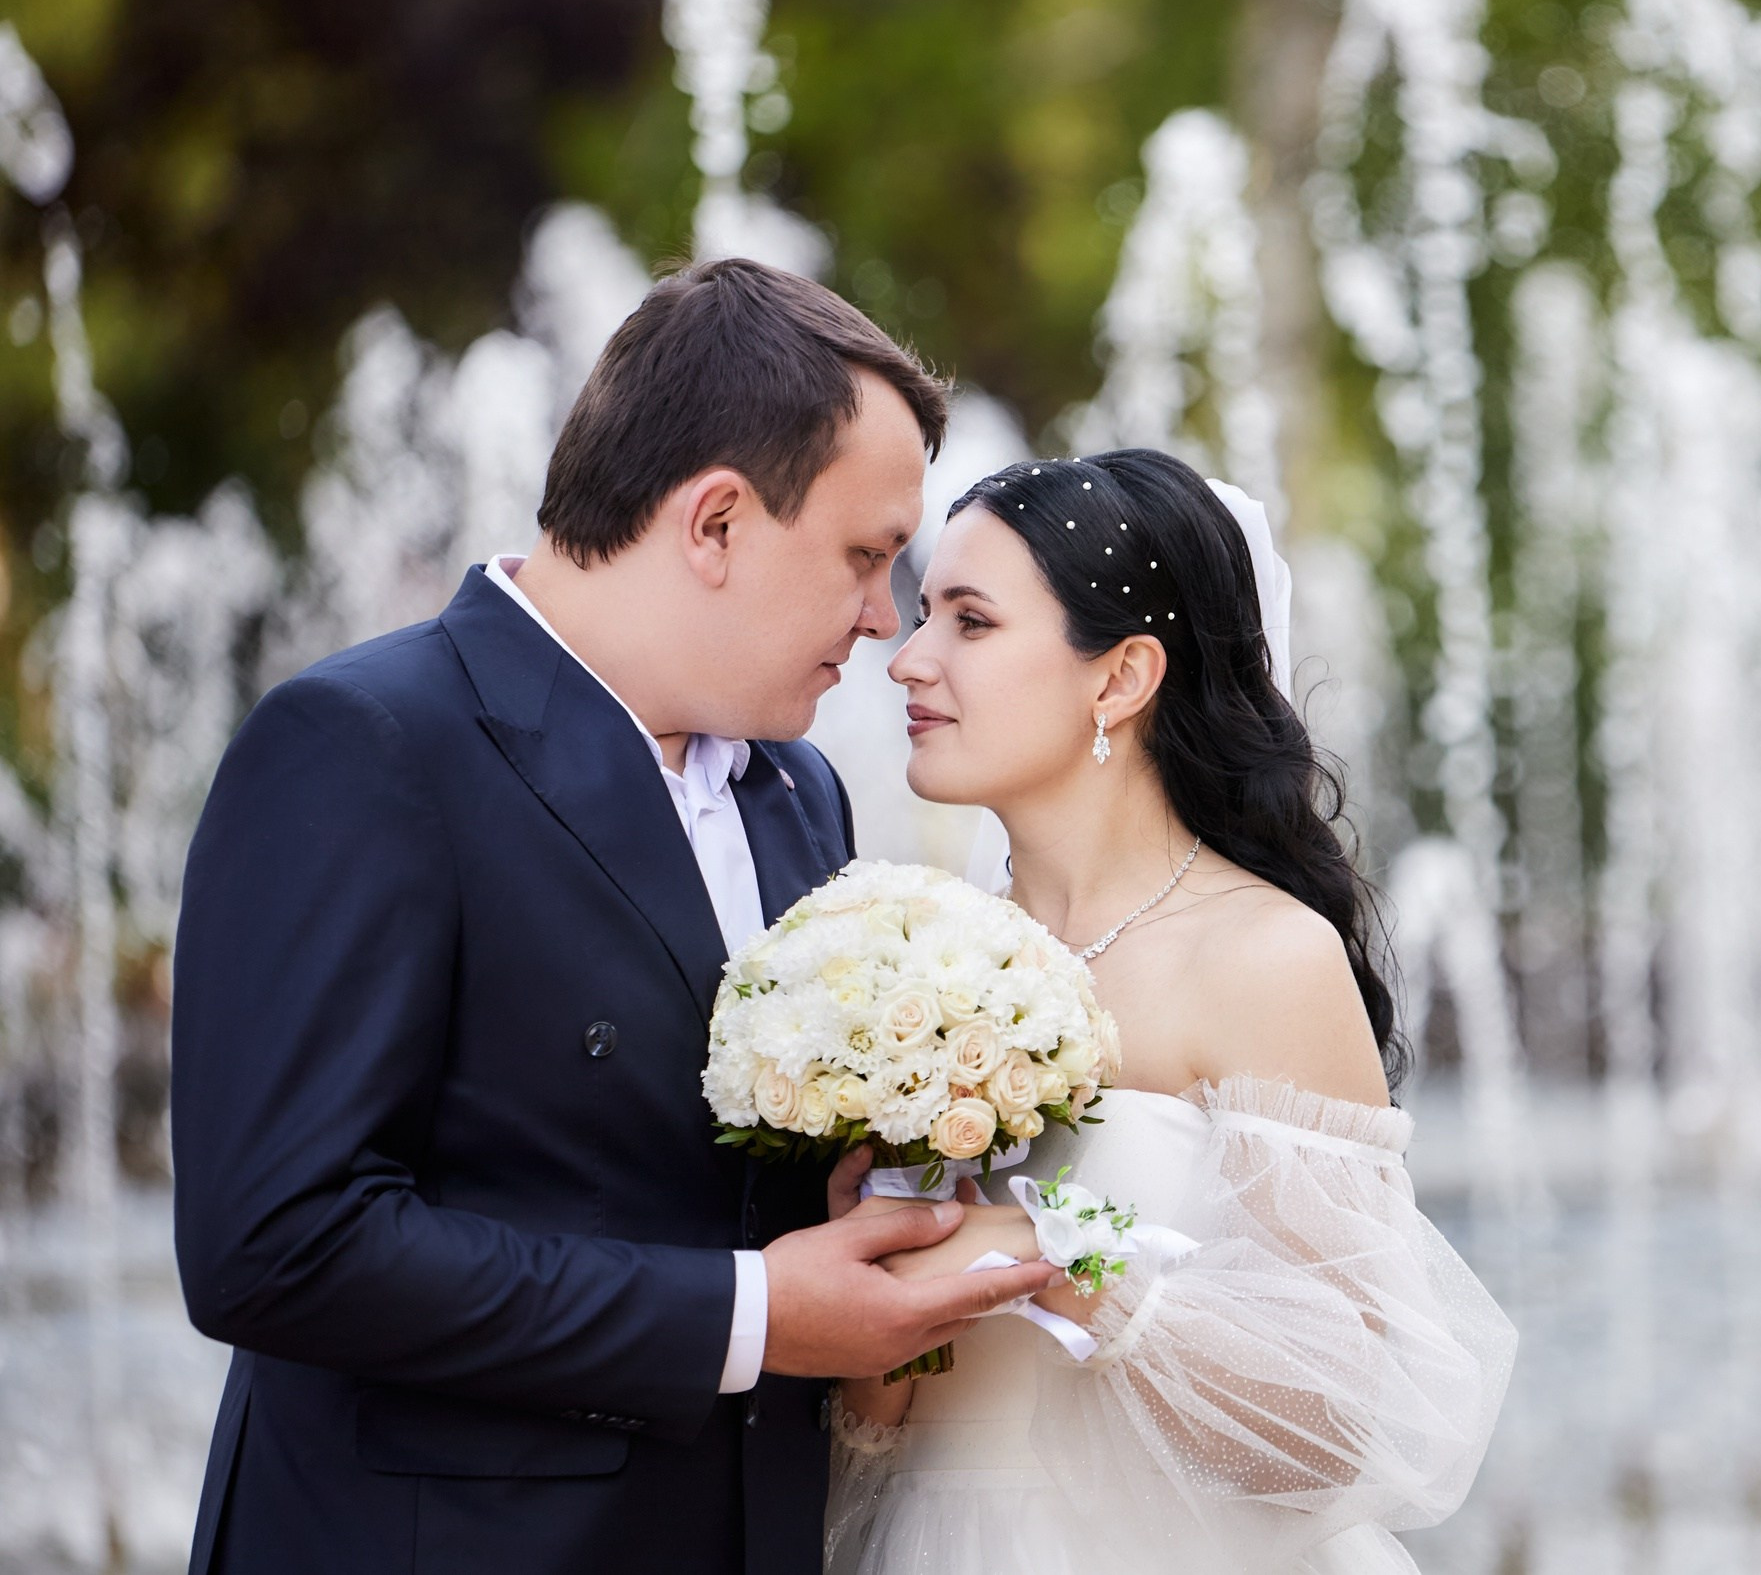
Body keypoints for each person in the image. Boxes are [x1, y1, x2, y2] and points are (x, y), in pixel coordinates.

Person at [169, 258, 1061, 1575]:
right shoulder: (366, 745)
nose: (884, 620)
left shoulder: (797, 789)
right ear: (712, 523)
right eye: (865, 558)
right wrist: (752, 1311)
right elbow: (276, 1244)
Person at [824, 448, 1515, 1574]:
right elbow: (877, 1419)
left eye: (970, 622)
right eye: (920, 616)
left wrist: (1054, 1261)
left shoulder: (1261, 955)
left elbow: (1339, 1424)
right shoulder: (913, 968)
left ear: (1120, 678)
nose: (907, 661)